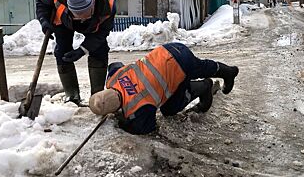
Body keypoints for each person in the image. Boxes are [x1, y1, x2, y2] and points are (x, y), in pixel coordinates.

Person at [88, 43, 239, 135]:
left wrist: (122, 122)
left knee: (170, 110)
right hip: (166, 50)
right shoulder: (113, 79)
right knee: (202, 67)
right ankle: (228, 72)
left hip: (178, 63)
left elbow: (146, 128)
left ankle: (205, 86)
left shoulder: (137, 107)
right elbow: (115, 65)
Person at [36, 0, 116, 105]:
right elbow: (41, 3)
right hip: (64, 21)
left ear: (93, 4)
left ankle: (96, 97)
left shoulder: (108, 5)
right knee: (62, 51)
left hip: (94, 25)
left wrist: (82, 50)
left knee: (99, 50)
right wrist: (44, 22)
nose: (82, 19)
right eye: (78, 16)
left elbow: (101, 34)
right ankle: (72, 96)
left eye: (86, 14)